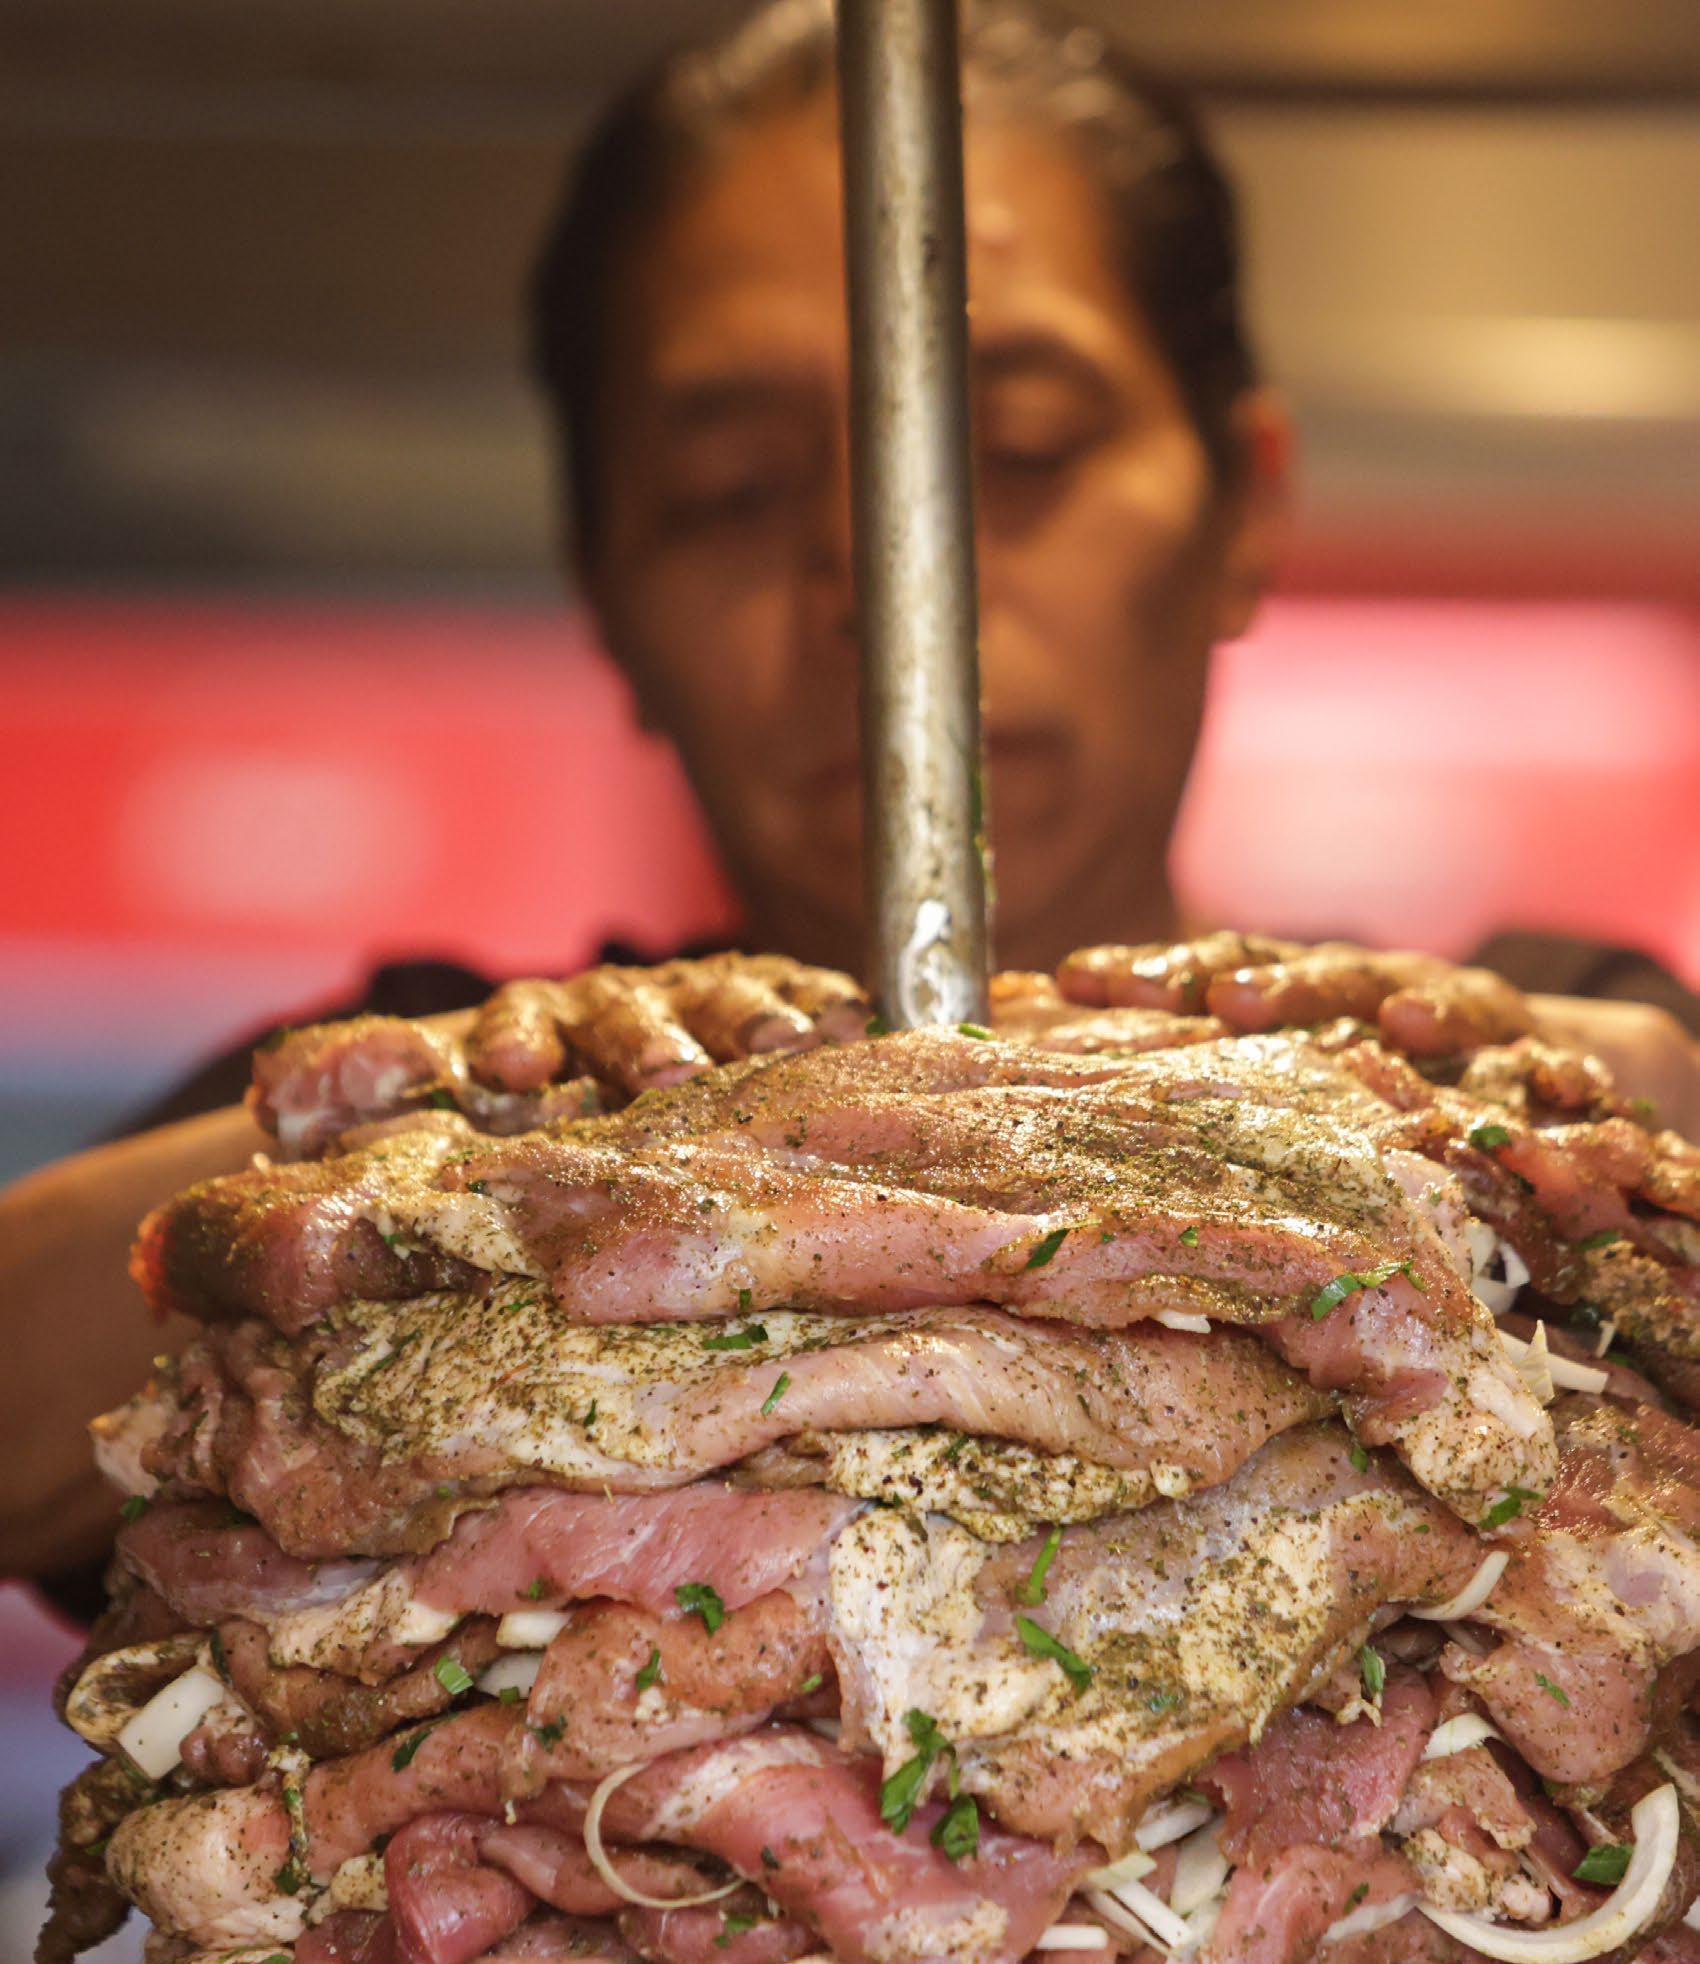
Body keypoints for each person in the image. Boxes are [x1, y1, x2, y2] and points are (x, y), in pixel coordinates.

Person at [3, 0, 1698, 1592]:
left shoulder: (1549, 1053)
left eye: (1021, 452)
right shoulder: (422, 1092)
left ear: (1241, 507)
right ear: (605, 593)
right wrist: (550, 1151)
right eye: (731, 489)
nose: (886, 582)